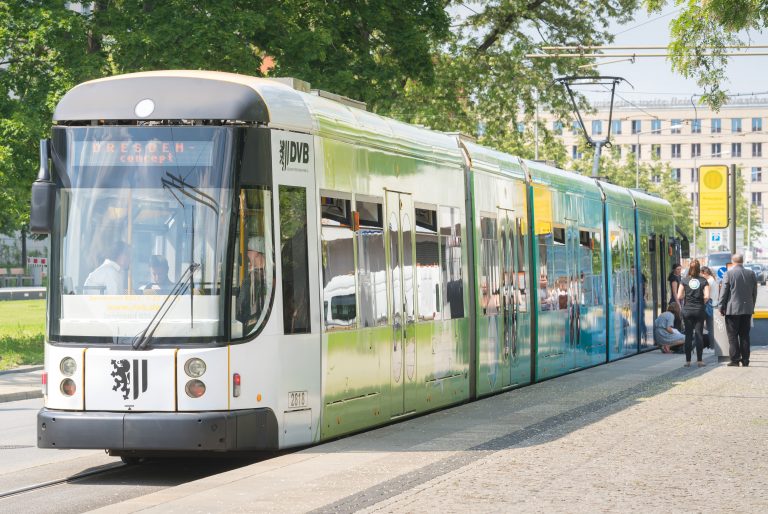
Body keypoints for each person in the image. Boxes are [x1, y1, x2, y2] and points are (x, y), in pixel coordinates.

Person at [719, 253, 758, 367]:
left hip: (732, 309)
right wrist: (751, 306)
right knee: (745, 335)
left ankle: (735, 360)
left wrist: (721, 306)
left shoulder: (729, 274)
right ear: (743, 261)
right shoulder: (751, 273)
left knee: (732, 336)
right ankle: (745, 360)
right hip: (747, 309)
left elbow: (724, 292)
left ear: (732, 261)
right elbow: (754, 293)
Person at [676, 259, 710, 367]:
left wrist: (687, 296)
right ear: (699, 268)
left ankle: (688, 361)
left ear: (689, 268)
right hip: (699, 310)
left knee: (688, 335)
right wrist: (701, 301)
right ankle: (699, 360)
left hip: (687, 310)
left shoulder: (684, 280)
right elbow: (707, 296)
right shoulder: (704, 281)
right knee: (699, 334)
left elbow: (679, 296)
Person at [700, 266, 718, 349]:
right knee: (711, 327)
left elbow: (707, 296)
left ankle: (712, 346)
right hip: (713, 304)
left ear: (704, 273)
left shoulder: (709, 281)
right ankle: (712, 345)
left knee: (710, 327)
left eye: (701, 274)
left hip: (709, 305)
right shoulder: (714, 280)